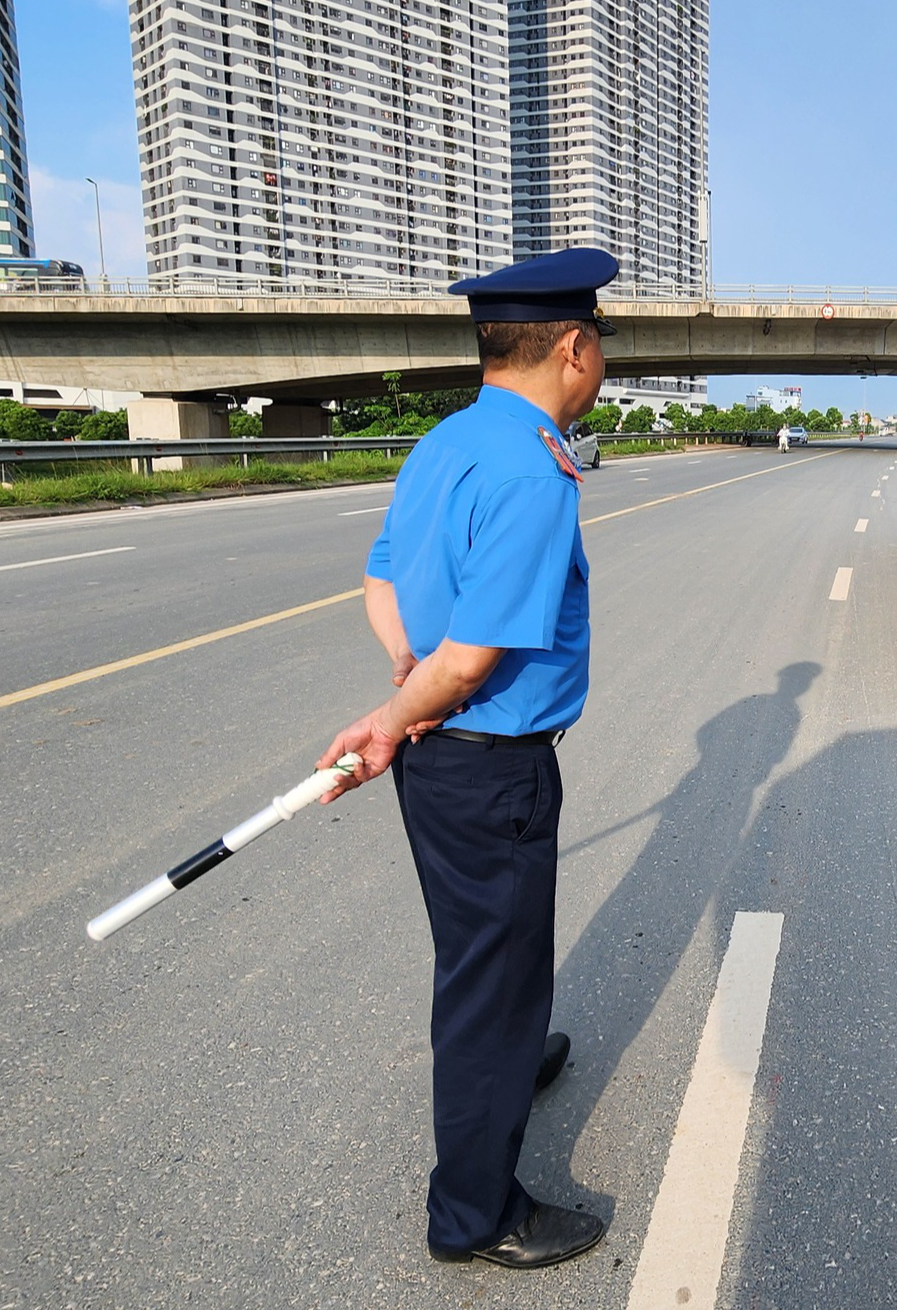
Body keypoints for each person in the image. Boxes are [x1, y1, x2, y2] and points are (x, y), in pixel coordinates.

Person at [317, 246, 618, 1268]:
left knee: (483, 946)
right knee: (490, 971)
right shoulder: (534, 470)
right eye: (600, 344)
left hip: (443, 764)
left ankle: (510, 1055)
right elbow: (474, 655)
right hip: (491, 762)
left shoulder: (444, 442)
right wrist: (406, 704)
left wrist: (405, 687)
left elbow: (380, 584)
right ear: (573, 347)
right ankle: (475, 1213)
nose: (599, 359)